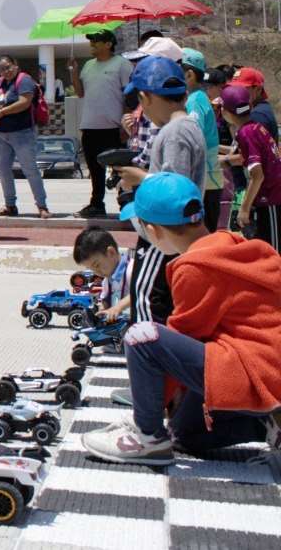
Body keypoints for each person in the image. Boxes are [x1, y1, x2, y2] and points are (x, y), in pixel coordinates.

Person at [81, 172, 281, 467]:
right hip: (266, 370)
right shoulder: (235, 244)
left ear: (152, 230)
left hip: (256, 371)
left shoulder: (193, 267)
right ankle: (269, 422)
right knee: (185, 435)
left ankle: (148, 438)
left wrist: (148, 410)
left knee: (142, 336)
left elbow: (180, 341)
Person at [116, 56, 206, 326]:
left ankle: (147, 358)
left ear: (146, 96)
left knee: (145, 300)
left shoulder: (175, 132)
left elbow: (173, 192)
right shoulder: (187, 126)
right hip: (169, 234)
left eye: (140, 101)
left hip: (162, 235)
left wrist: (138, 178)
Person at [69, 29, 134, 218]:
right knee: (95, 171)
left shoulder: (122, 64)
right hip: (90, 127)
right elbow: (80, 92)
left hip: (114, 128)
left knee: (120, 170)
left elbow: (128, 96)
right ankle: (96, 205)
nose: (92, 44)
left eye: (96, 41)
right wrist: (73, 72)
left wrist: (125, 123)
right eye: (91, 41)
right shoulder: (88, 65)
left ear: (108, 44)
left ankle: (127, 205)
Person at [220, 84, 281, 251]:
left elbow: (257, 175)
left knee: (273, 250)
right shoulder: (254, 127)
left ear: (226, 112)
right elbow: (243, 157)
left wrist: (244, 208)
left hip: (271, 198)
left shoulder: (247, 133)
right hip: (267, 197)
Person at [0, 55, 51, 219]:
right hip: (2, 133)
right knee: (3, 171)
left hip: (22, 132)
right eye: (3, 69)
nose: (7, 71)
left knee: (30, 170)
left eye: (9, 66)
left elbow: (24, 102)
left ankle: (42, 205)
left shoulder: (24, 80)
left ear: (16, 65)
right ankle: (10, 205)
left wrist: (1, 112)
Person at [181, 49, 223, 232]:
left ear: (189, 75)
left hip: (205, 183)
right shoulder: (198, 98)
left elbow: (193, 138)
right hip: (205, 182)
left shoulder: (195, 101)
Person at [72, 228, 131, 323]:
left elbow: (138, 293)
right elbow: (105, 299)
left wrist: (118, 308)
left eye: (97, 265)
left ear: (111, 252)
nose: (96, 272)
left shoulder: (131, 270)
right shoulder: (107, 280)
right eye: (91, 269)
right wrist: (103, 308)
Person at [227, 67, 277, 139]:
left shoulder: (257, 115)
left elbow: (251, 148)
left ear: (258, 89)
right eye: (234, 88)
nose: (236, 92)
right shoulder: (257, 108)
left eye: (242, 88)